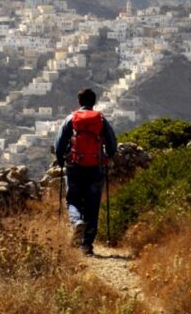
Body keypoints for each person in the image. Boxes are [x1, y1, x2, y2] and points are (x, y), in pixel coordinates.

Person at [52, 88, 117, 255]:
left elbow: (59, 145)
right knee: (92, 205)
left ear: (79, 102)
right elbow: (112, 144)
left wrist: (60, 160)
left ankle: (76, 222)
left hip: (75, 166)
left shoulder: (71, 119)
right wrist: (107, 157)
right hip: (95, 168)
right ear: (94, 103)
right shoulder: (101, 120)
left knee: (72, 199)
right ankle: (87, 245)